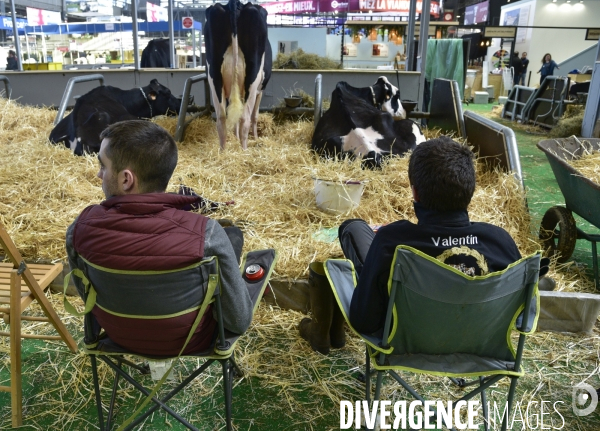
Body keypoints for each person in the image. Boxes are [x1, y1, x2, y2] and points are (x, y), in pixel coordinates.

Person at [299, 136, 525, 349]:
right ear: (471, 191)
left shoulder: (394, 241)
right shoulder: (498, 241)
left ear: (415, 193)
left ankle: (324, 325)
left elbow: (364, 322)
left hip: (401, 342)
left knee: (353, 228)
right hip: (479, 344)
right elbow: (522, 314)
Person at [66, 120, 253, 355]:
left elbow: (88, 299)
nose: (98, 174)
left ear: (126, 179)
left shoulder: (80, 229)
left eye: (103, 166)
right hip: (191, 342)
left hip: (118, 337)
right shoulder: (206, 233)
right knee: (233, 235)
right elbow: (238, 321)